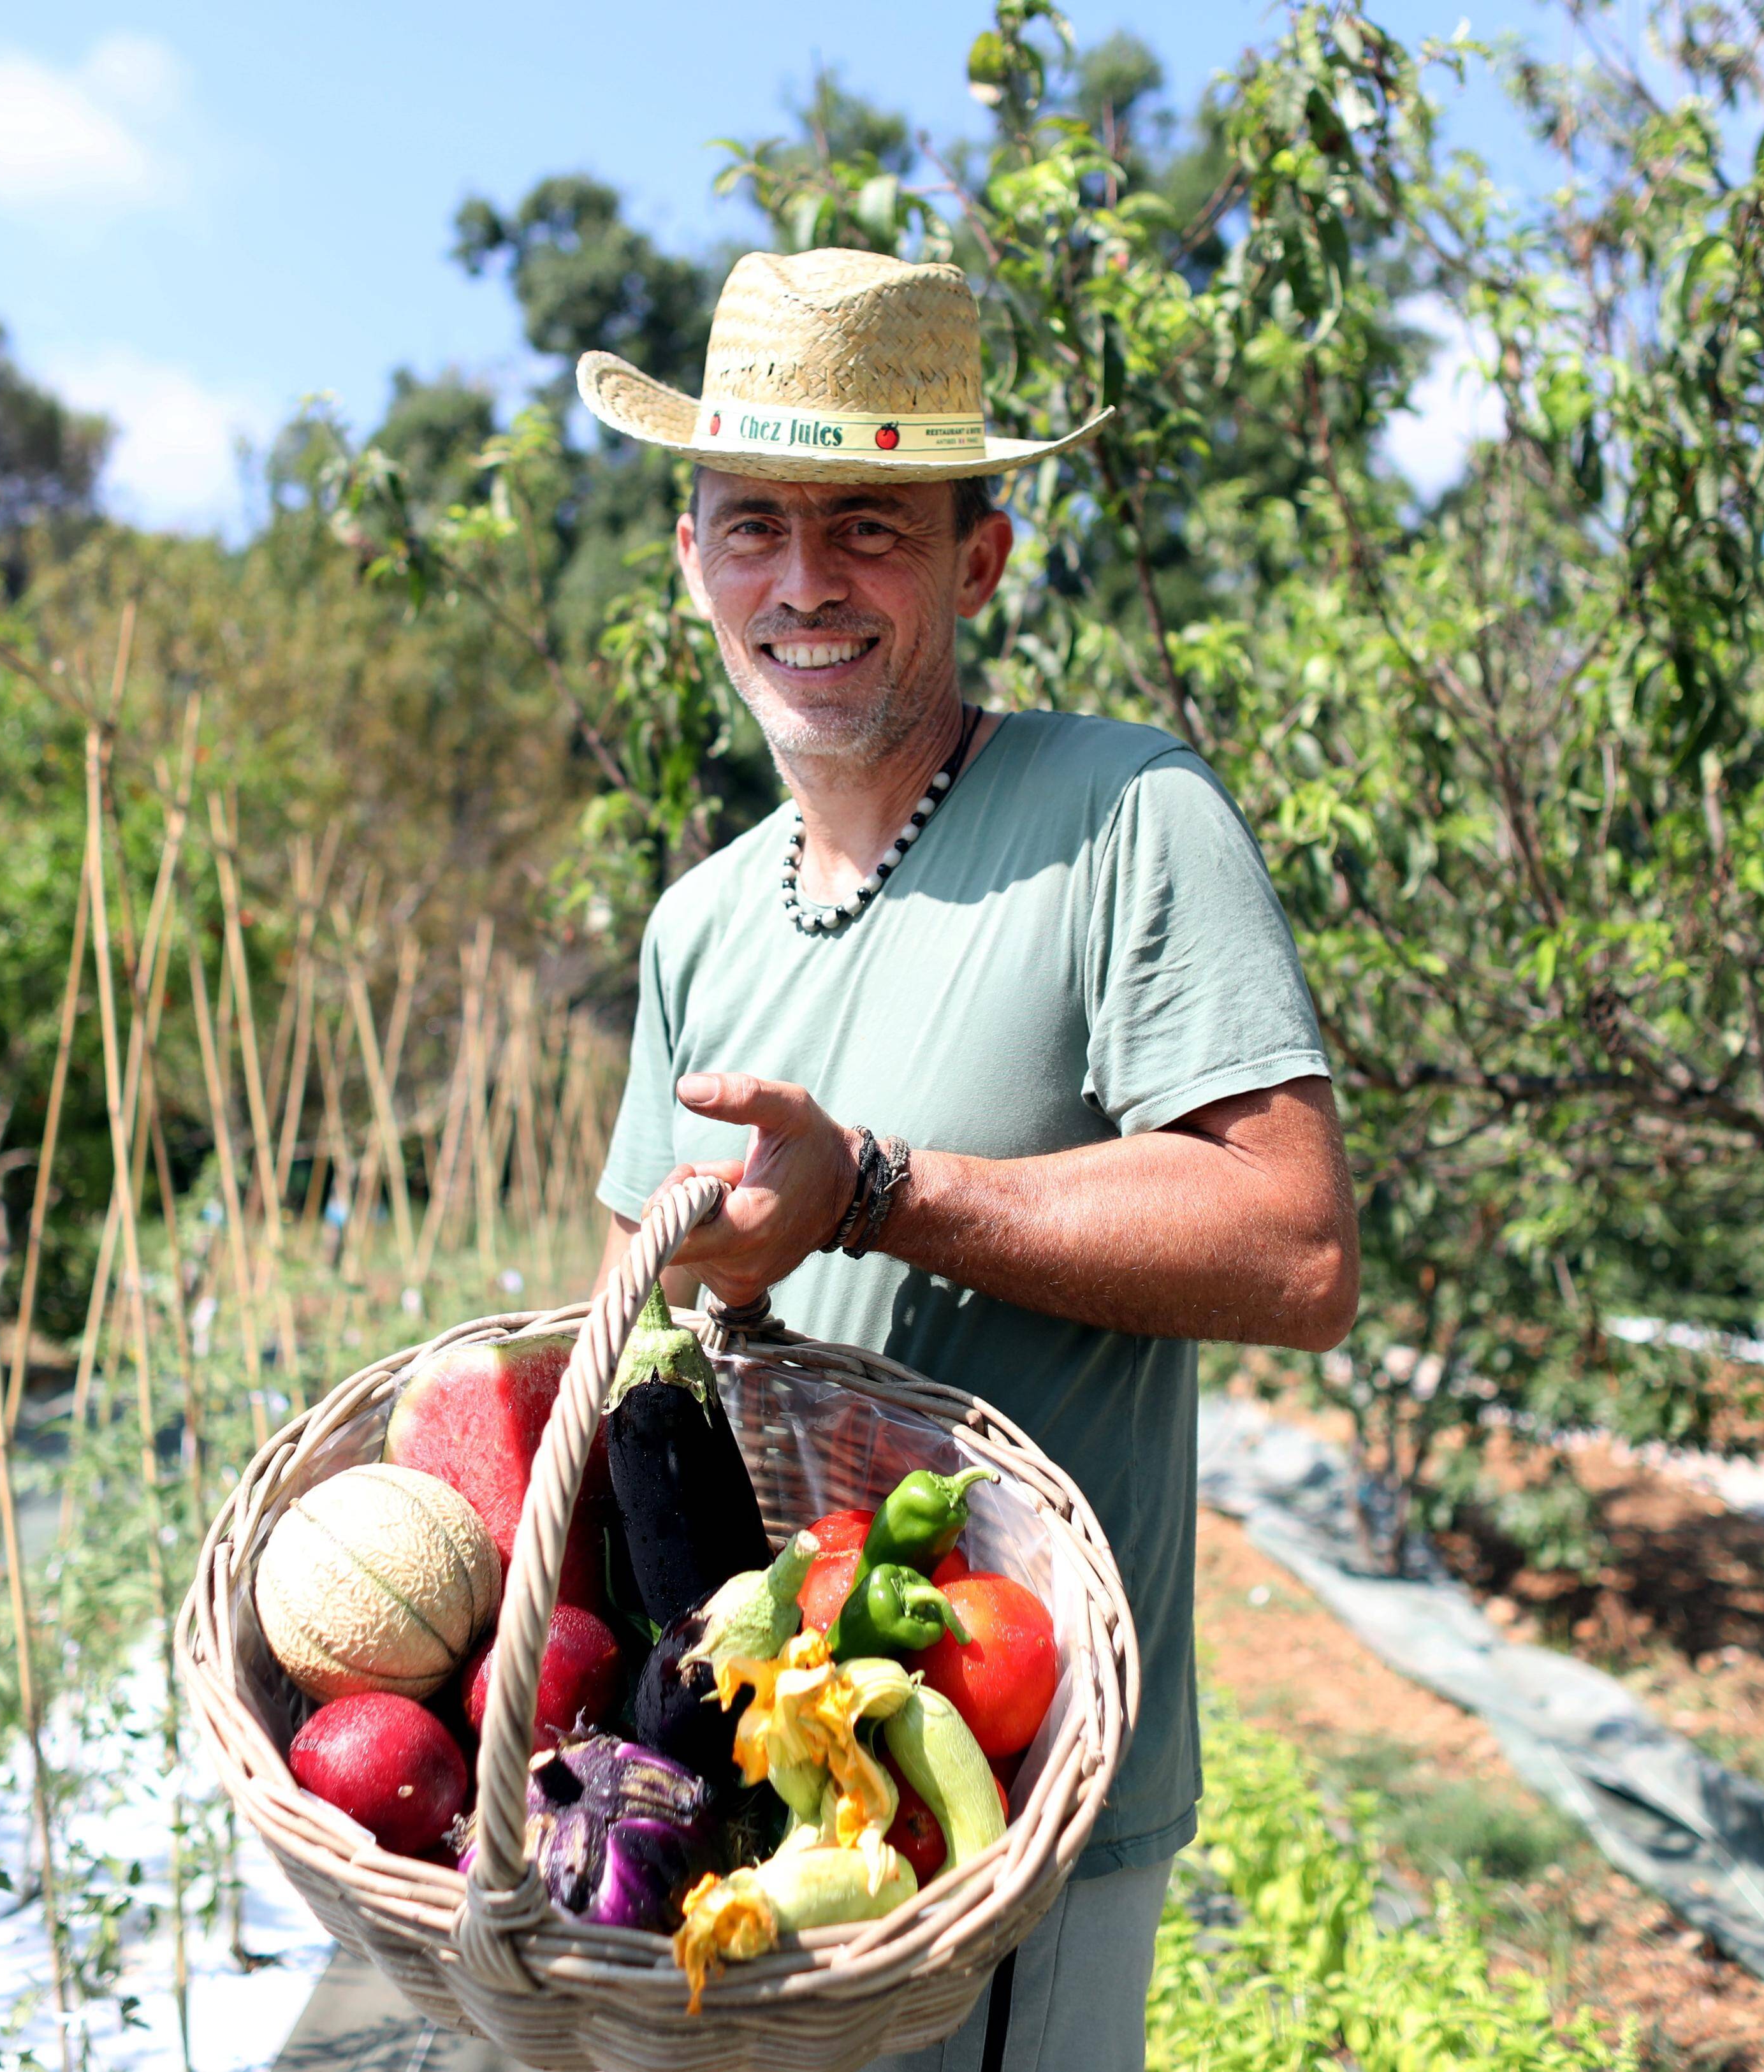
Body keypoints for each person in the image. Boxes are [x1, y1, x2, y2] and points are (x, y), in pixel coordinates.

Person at [581, 248, 1357, 2072]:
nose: (803, 580)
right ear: (693, 561)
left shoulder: (1122, 816)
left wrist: (875, 1186)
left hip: (1009, 1812)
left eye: (870, 526)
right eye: (753, 522)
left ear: (976, 563)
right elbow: (631, 1320)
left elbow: (1295, 1244)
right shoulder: (699, 928)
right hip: (755, 1800)